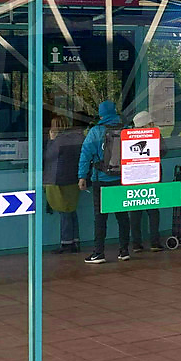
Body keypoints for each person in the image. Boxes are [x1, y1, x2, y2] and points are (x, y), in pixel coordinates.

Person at [79, 101, 129, 263]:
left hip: (101, 180)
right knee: (122, 216)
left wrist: (82, 176)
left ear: (101, 115)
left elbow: (85, 155)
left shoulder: (95, 132)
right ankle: (124, 251)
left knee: (100, 218)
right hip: (121, 179)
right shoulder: (125, 129)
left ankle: (99, 253)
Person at [44, 114, 83, 252]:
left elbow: (49, 156)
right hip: (74, 178)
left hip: (59, 180)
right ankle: (75, 240)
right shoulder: (77, 138)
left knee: (63, 211)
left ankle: (66, 243)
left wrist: (51, 140)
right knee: (71, 210)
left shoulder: (58, 141)